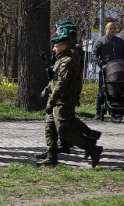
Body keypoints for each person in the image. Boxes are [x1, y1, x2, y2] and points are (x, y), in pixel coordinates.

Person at [41, 32, 103, 167]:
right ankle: (51, 157)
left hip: (63, 101)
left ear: (63, 46)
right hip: (56, 99)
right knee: (49, 127)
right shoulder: (60, 59)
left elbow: (61, 84)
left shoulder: (67, 62)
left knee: (64, 130)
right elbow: (55, 81)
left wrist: (52, 101)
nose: (53, 49)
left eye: (56, 46)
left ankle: (91, 147)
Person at [91, 21, 124, 120]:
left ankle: (119, 107)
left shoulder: (120, 41)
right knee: (102, 89)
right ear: (106, 29)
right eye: (111, 28)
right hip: (106, 70)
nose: (113, 30)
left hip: (120, 69)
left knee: (120, 87)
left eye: (114, 28)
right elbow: (94, 55)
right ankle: (98, 112)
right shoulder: (100, 42)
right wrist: (101, 64)